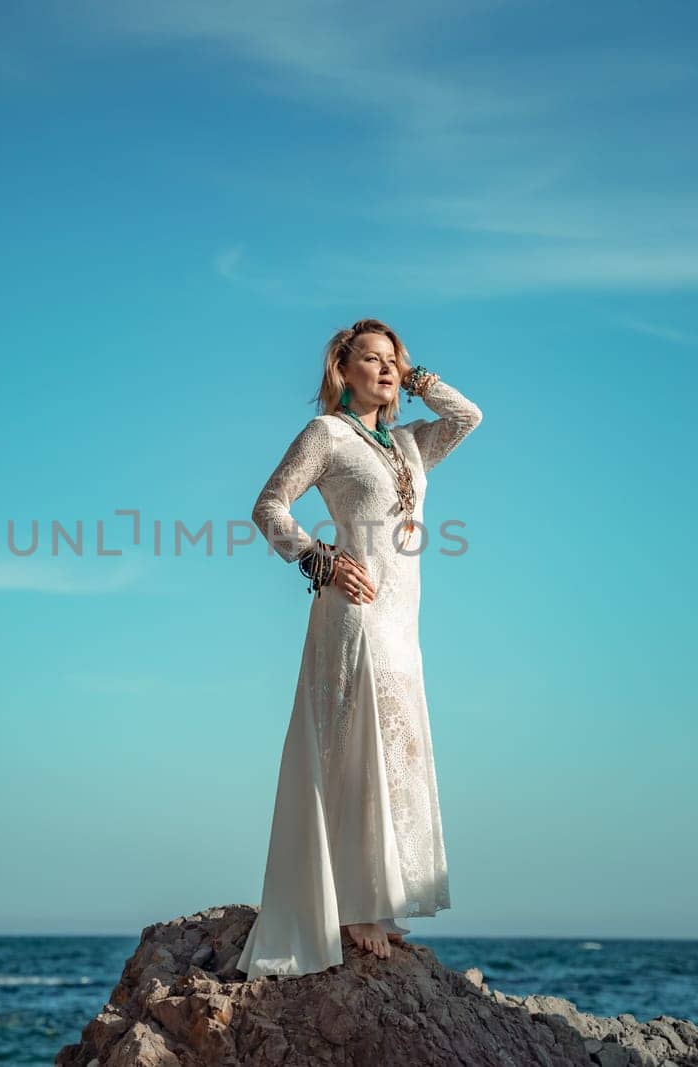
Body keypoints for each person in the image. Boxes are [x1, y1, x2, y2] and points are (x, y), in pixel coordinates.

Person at [237, 318, 483, 979]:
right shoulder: (327, 434)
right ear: (341, 370)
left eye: (392, 361)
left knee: (395, 750)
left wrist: (421, 377)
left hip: (404, 621)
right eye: (370, 359)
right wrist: (317, 559)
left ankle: (379, 894)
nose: (384, 369)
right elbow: (269, 507)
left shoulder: (408, 444)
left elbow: (467, 416)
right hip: (355, 610)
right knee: (355, 745)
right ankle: (350, 905)